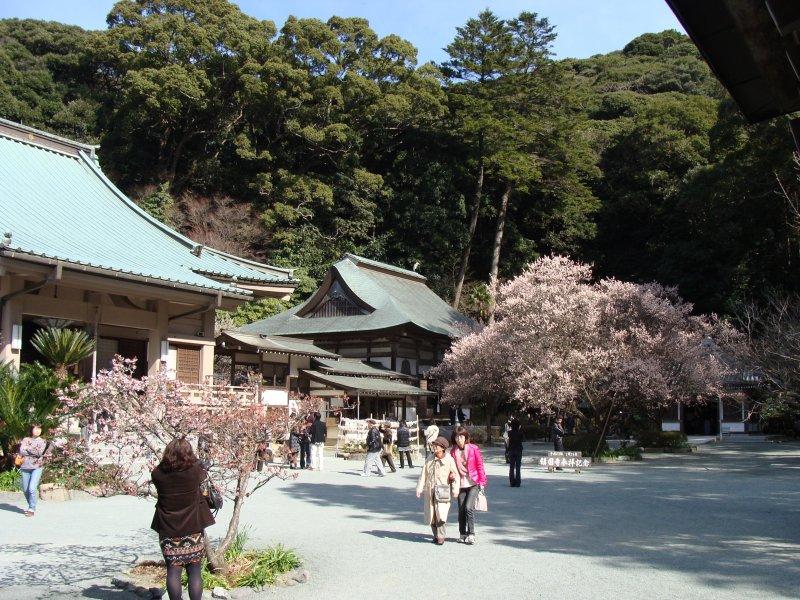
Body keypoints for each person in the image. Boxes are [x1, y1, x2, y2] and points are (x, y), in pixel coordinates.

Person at [150, 438, 215, 600]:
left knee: (173, 568)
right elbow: (202, 473)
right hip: (193, 527)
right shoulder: (195, 472)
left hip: (168, 527)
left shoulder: (157, 474)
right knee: (194, 569)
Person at [416, 436, 459, 545]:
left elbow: (455, 475)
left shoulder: (449, 459)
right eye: (434, 445)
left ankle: (441, 536)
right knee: (432, 514)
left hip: (443, 490)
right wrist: (419, 488)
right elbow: (423, 474)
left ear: (443, 447)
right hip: (430, 489)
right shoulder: (430, 458)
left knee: (441, 514)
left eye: (437, 445)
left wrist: (455, 490)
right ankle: (435, 535)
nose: (434, 447)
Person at [450, 426, 486, 545]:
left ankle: (471, 534)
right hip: (460, 484)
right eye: (457, 436)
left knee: (468, 508)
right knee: (461, 509)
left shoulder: (473, 449)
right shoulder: (453, 451)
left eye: (461, 436)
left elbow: (480, 465)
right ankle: (462, 533)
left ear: (465, 437)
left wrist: (482, 482)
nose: (459, 439)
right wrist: (450, 476)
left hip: (473, 483)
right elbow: (451, 468)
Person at [18, 424, 49, 517]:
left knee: (32, 489)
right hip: (25, 467)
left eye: (39, 429)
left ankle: (31, 508)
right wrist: (32, 451)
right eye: (36, 429)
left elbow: (39, 453)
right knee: (25, 490)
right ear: (31, 429)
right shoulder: (25, 439)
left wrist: (28, 448)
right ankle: (31, 504)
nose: (38, 431)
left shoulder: (43, 441)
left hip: (37, 467)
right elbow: (21, 451)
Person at [507, 419, 524, 487]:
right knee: (518, 467)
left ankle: (512, 482)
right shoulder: (520, 433)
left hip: (511, 450)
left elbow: (508, 442)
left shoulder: (509, 432)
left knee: (511, 467)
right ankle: (518, 482)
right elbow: (522, 440)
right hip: (518, 450)